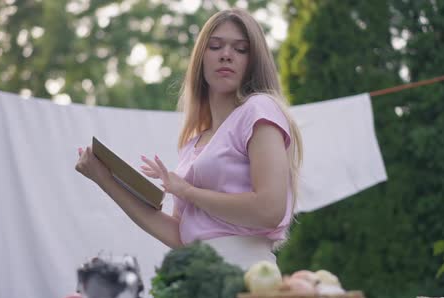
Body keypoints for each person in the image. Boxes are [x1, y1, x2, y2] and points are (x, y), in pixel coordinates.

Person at [75, 8, 302, 269]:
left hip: (246, 276)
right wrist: (104, 178)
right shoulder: (193, 143)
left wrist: (188, 192)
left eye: (240, 49)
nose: (226, 55)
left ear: (253, 61)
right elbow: (179, 236)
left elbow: (269, 210)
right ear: (201, 58)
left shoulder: (259, 109)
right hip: (194, 280)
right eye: (215, 46)